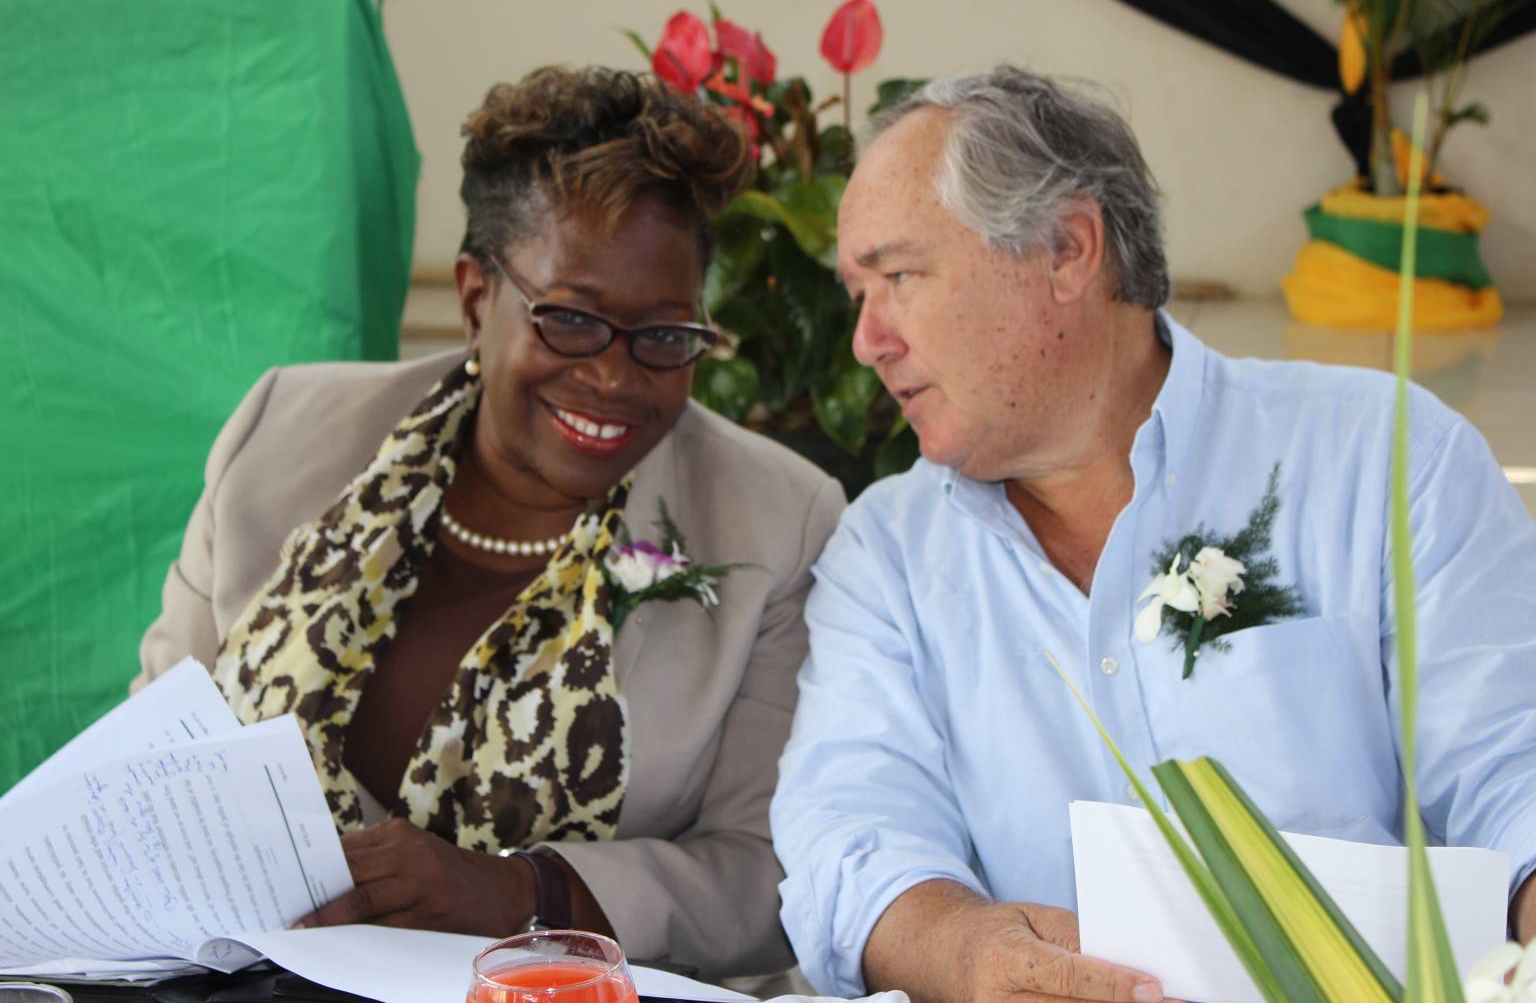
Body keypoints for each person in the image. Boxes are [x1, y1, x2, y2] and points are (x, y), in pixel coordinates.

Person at [770, 65, 1536, 1002]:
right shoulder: (884, 555)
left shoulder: (1383, 460)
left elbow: (1517, 763)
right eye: (856, 294)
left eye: (897, 276)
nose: (866, 338)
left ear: (1067, 250)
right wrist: (964, 951)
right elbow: (851, 837)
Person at [137, 65, 845, 981]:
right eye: (571, 322)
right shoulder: (282, 434)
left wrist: (517, 896)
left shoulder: (777, 522)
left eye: (666, 337)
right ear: (477, 299)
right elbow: (151, 756)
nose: (615, 379)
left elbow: (766, 877)